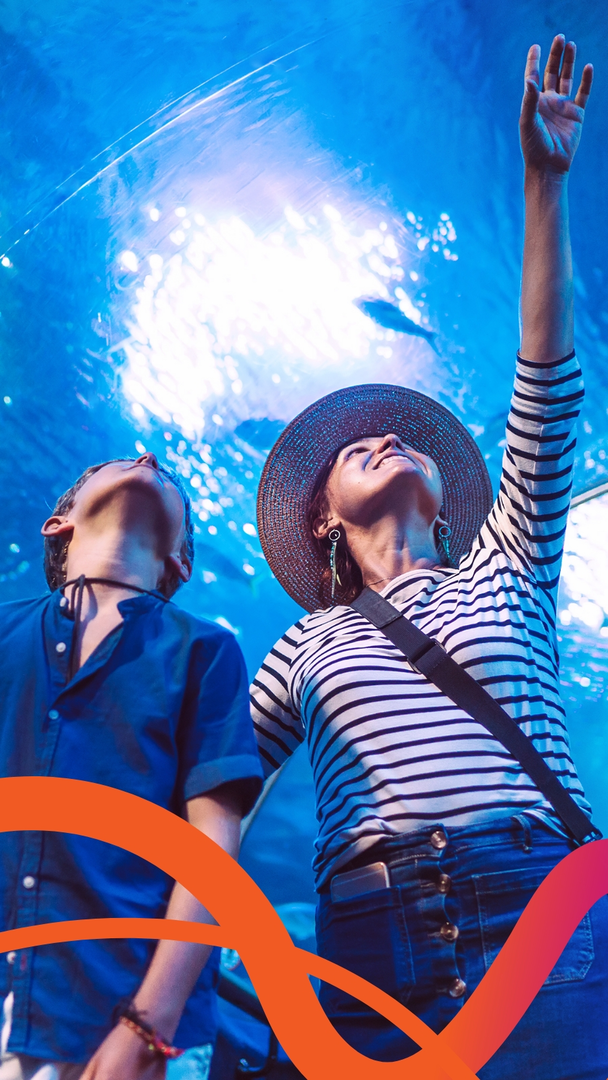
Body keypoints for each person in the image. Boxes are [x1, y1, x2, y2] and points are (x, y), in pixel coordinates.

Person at [251, 36, 608, 1078]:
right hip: (367, 939)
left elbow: (546, 386)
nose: (381, 435)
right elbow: (211, 785)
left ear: (459, 499)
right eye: (350, 448)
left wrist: (544, 189)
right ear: (320, 519)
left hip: (543, 916)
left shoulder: (508, 565)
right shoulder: (300, 647)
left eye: (403, 434)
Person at [0, 452, 264, 1080]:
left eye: (166, 477)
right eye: (118, 461)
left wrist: (152, 1022)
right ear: (57, 524)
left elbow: (211, 845)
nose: (146, 457)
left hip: (115, 1009)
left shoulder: (206, 652)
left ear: (181, 561)